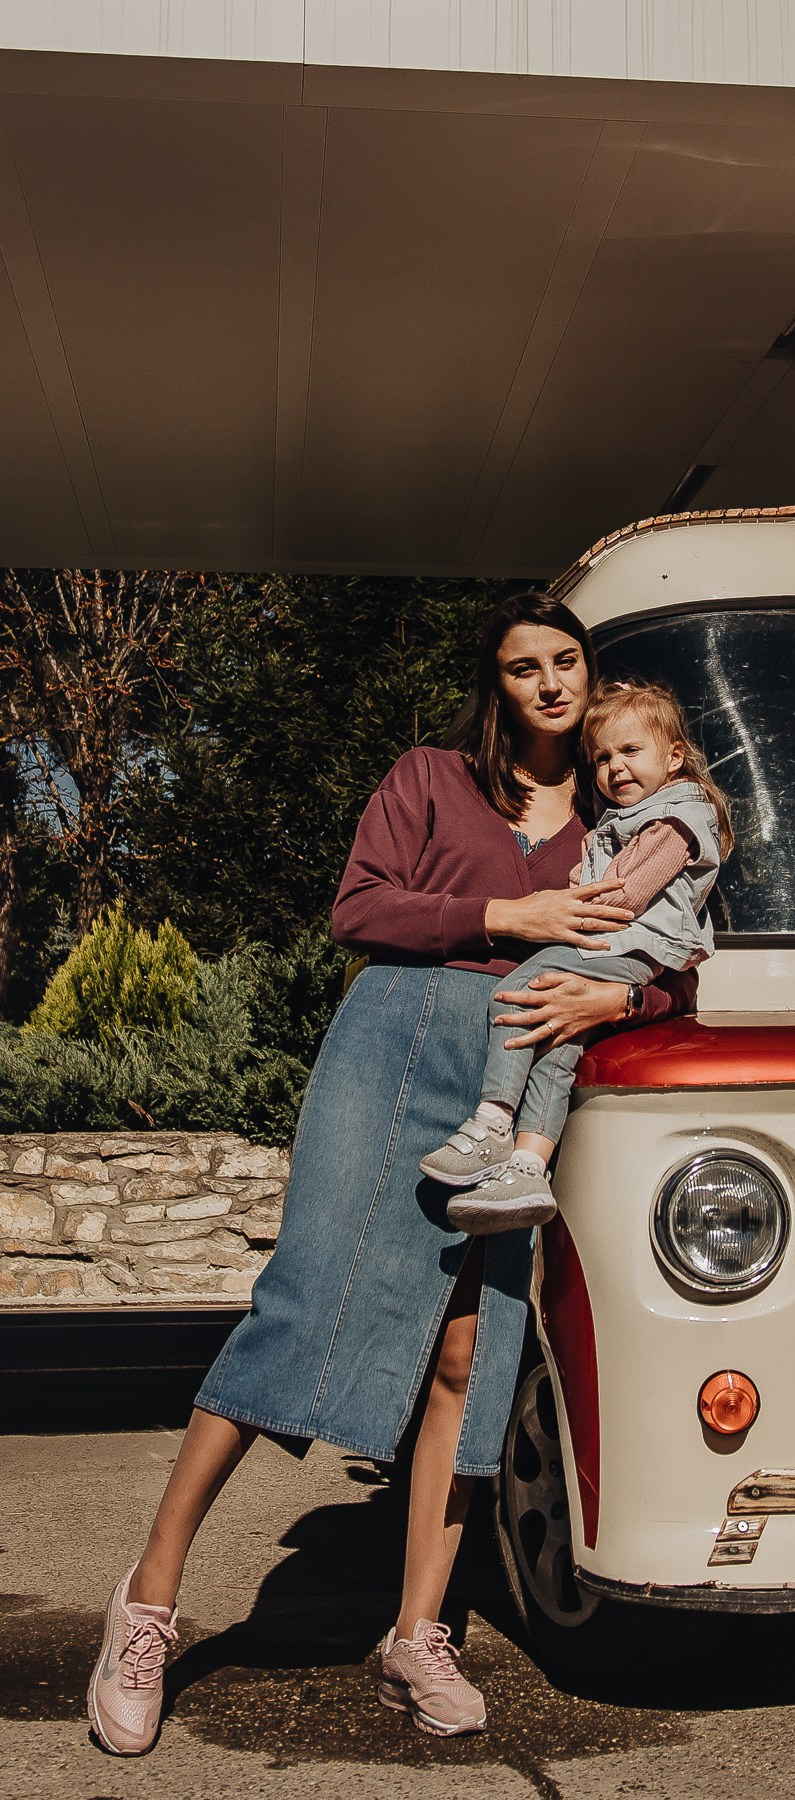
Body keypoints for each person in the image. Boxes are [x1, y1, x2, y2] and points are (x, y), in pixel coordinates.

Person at [87, 593, 697, 1755]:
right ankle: (149, 1599)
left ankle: (419, 1630)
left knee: (473, 1350)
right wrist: (505, 909)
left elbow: (678, 955)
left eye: (568, 662)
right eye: (525, 669)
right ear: (497, 687)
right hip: (393, 1043)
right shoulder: (431, 777)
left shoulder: (635, 812)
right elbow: (358, 906)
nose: (552, 685)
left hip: (517, 1070)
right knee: (301, 1307)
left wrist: (620, 996)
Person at [420, 678, 732, 1233]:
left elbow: (627, 895)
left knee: (516, 995)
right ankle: (528, 1167)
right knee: (559, 1039)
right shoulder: (632, 819)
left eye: (630, 751)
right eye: (603, 758)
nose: (615, 768)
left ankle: (492, 1122)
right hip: (618, 943)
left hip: (625, 942)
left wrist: (561, 907)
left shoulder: (675, 820)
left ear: (675, 756)